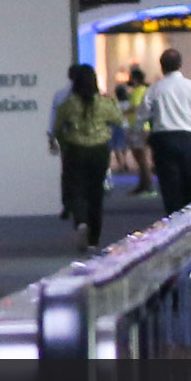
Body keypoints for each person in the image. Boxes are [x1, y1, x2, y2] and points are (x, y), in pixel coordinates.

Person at [53, 65, 124, 252]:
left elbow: (58, 127)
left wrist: (63, 144)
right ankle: (94, 239)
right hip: (99, 150)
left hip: (75, 149)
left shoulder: (68, 104)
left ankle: (81, 221)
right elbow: (119, 120)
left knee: (76, 189)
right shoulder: (104, 102)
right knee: (96, 192)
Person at [136, 49, 191, 216]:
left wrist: (142, 136)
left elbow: (141, 117)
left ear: (161, 66)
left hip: (164, 140)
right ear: (180, 65)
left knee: (169, 186)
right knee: (188, 184)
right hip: (189, 139)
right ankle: (189, 219)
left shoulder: (154, 89)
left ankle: (173, 218)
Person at [48, 65, 80, 219]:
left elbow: (54, 119)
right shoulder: (92, 95)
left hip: (67, 138)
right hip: (88, 139)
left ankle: (68, 204)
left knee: (68, 172)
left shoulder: (61, 95)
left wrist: (51, 138)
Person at [125, 67, 154, 194]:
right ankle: (144, 183)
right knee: (143, 157)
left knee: (141, 157)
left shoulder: (137, 92)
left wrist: (124, 112)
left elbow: (136, 107)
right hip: (145, 126)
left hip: (138, 127)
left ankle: (146, 184)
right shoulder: (146, 90)